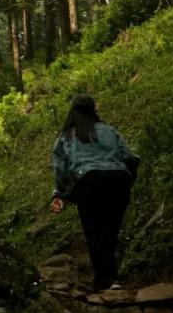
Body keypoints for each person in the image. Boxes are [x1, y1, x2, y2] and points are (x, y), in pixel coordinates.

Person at [50, 94, 140, 292]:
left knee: (95, 233)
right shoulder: (110, 131)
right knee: (109, 232)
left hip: (89, 183)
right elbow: (130, 157)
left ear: (73, 112)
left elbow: (60, 168)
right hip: (119, 181)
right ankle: (111, 280)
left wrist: (59, 194)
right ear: (94, 110)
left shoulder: (67, 136)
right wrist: (129, 176)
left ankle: (106, 281)